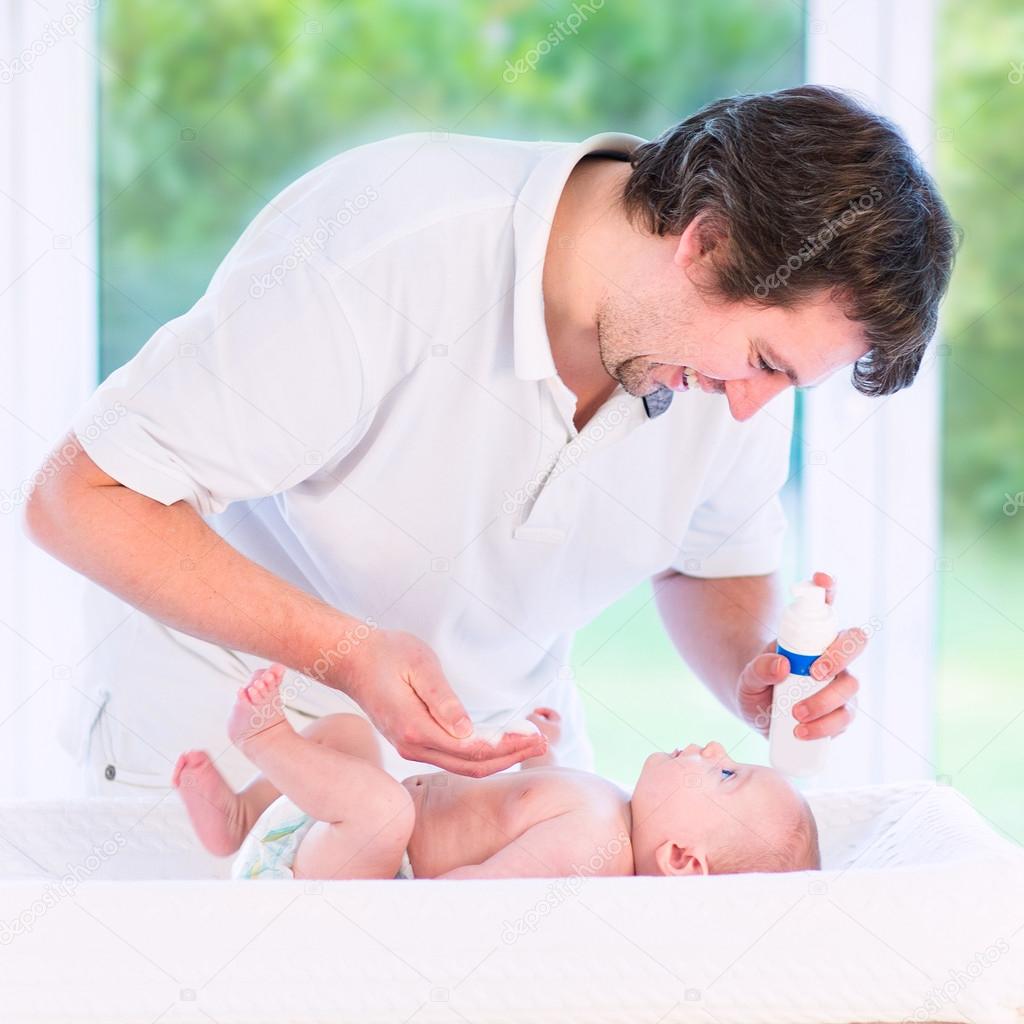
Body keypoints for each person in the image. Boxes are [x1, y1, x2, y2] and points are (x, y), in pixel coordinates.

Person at [24, 85, 957, 792]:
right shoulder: (390, 246)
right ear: (706, 242)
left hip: (505, 775)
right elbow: (80, 498)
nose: (753, 407)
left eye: (786, 379)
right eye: (761, 361)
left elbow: (710, 563)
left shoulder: (734, 368)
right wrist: (345, 652)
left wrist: (752, 671)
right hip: (239, 751)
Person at [175, 665, 819, 880]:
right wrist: (545, 753)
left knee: (384, 809)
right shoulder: (610, 810)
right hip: (336, 834)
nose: (712, 747)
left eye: (728, 776)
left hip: (360, 871)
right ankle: (243, 816)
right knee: (349, 733)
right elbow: (525, 809)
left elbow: (483, 893)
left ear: (681, 858)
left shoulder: (596, 845)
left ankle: (262, 739)